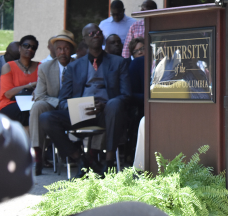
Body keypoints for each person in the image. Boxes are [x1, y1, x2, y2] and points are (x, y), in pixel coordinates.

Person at [40, 24, 131, 177]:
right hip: (81, 113)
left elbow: (126, 95)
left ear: (102, 37)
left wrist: (104, 105)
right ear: (85, 40)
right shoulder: (74, 67)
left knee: (115, 104)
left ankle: (109, 162)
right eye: (91, 33)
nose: (95, 35)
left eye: (98, 33)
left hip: (107, 114)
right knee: (46, 118)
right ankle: (80, 158)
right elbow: (63, 100)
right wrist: (77, 107)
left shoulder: (118, 62)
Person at [29, 30, 76, 175]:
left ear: (71, 50)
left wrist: (69, 104)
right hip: (54, 104)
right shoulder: (45, 67)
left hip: (74, 105)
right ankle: (38, 156)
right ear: (54, 51)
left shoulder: (80, 65)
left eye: (66, 48)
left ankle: (81, 154)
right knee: (37, 106)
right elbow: (40, 95)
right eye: (59, 49)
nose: (62, 52)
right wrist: (60, 102)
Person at [0, 36, 40, 126]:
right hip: (10, 103)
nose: (29, 49)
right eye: (26, 45)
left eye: (33, 47)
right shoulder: (8, 66)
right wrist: (30, 85)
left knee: (39, 110)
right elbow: (8, 94)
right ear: (20, 48)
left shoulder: (41, 66)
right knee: (25, 112)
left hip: (34, 102)